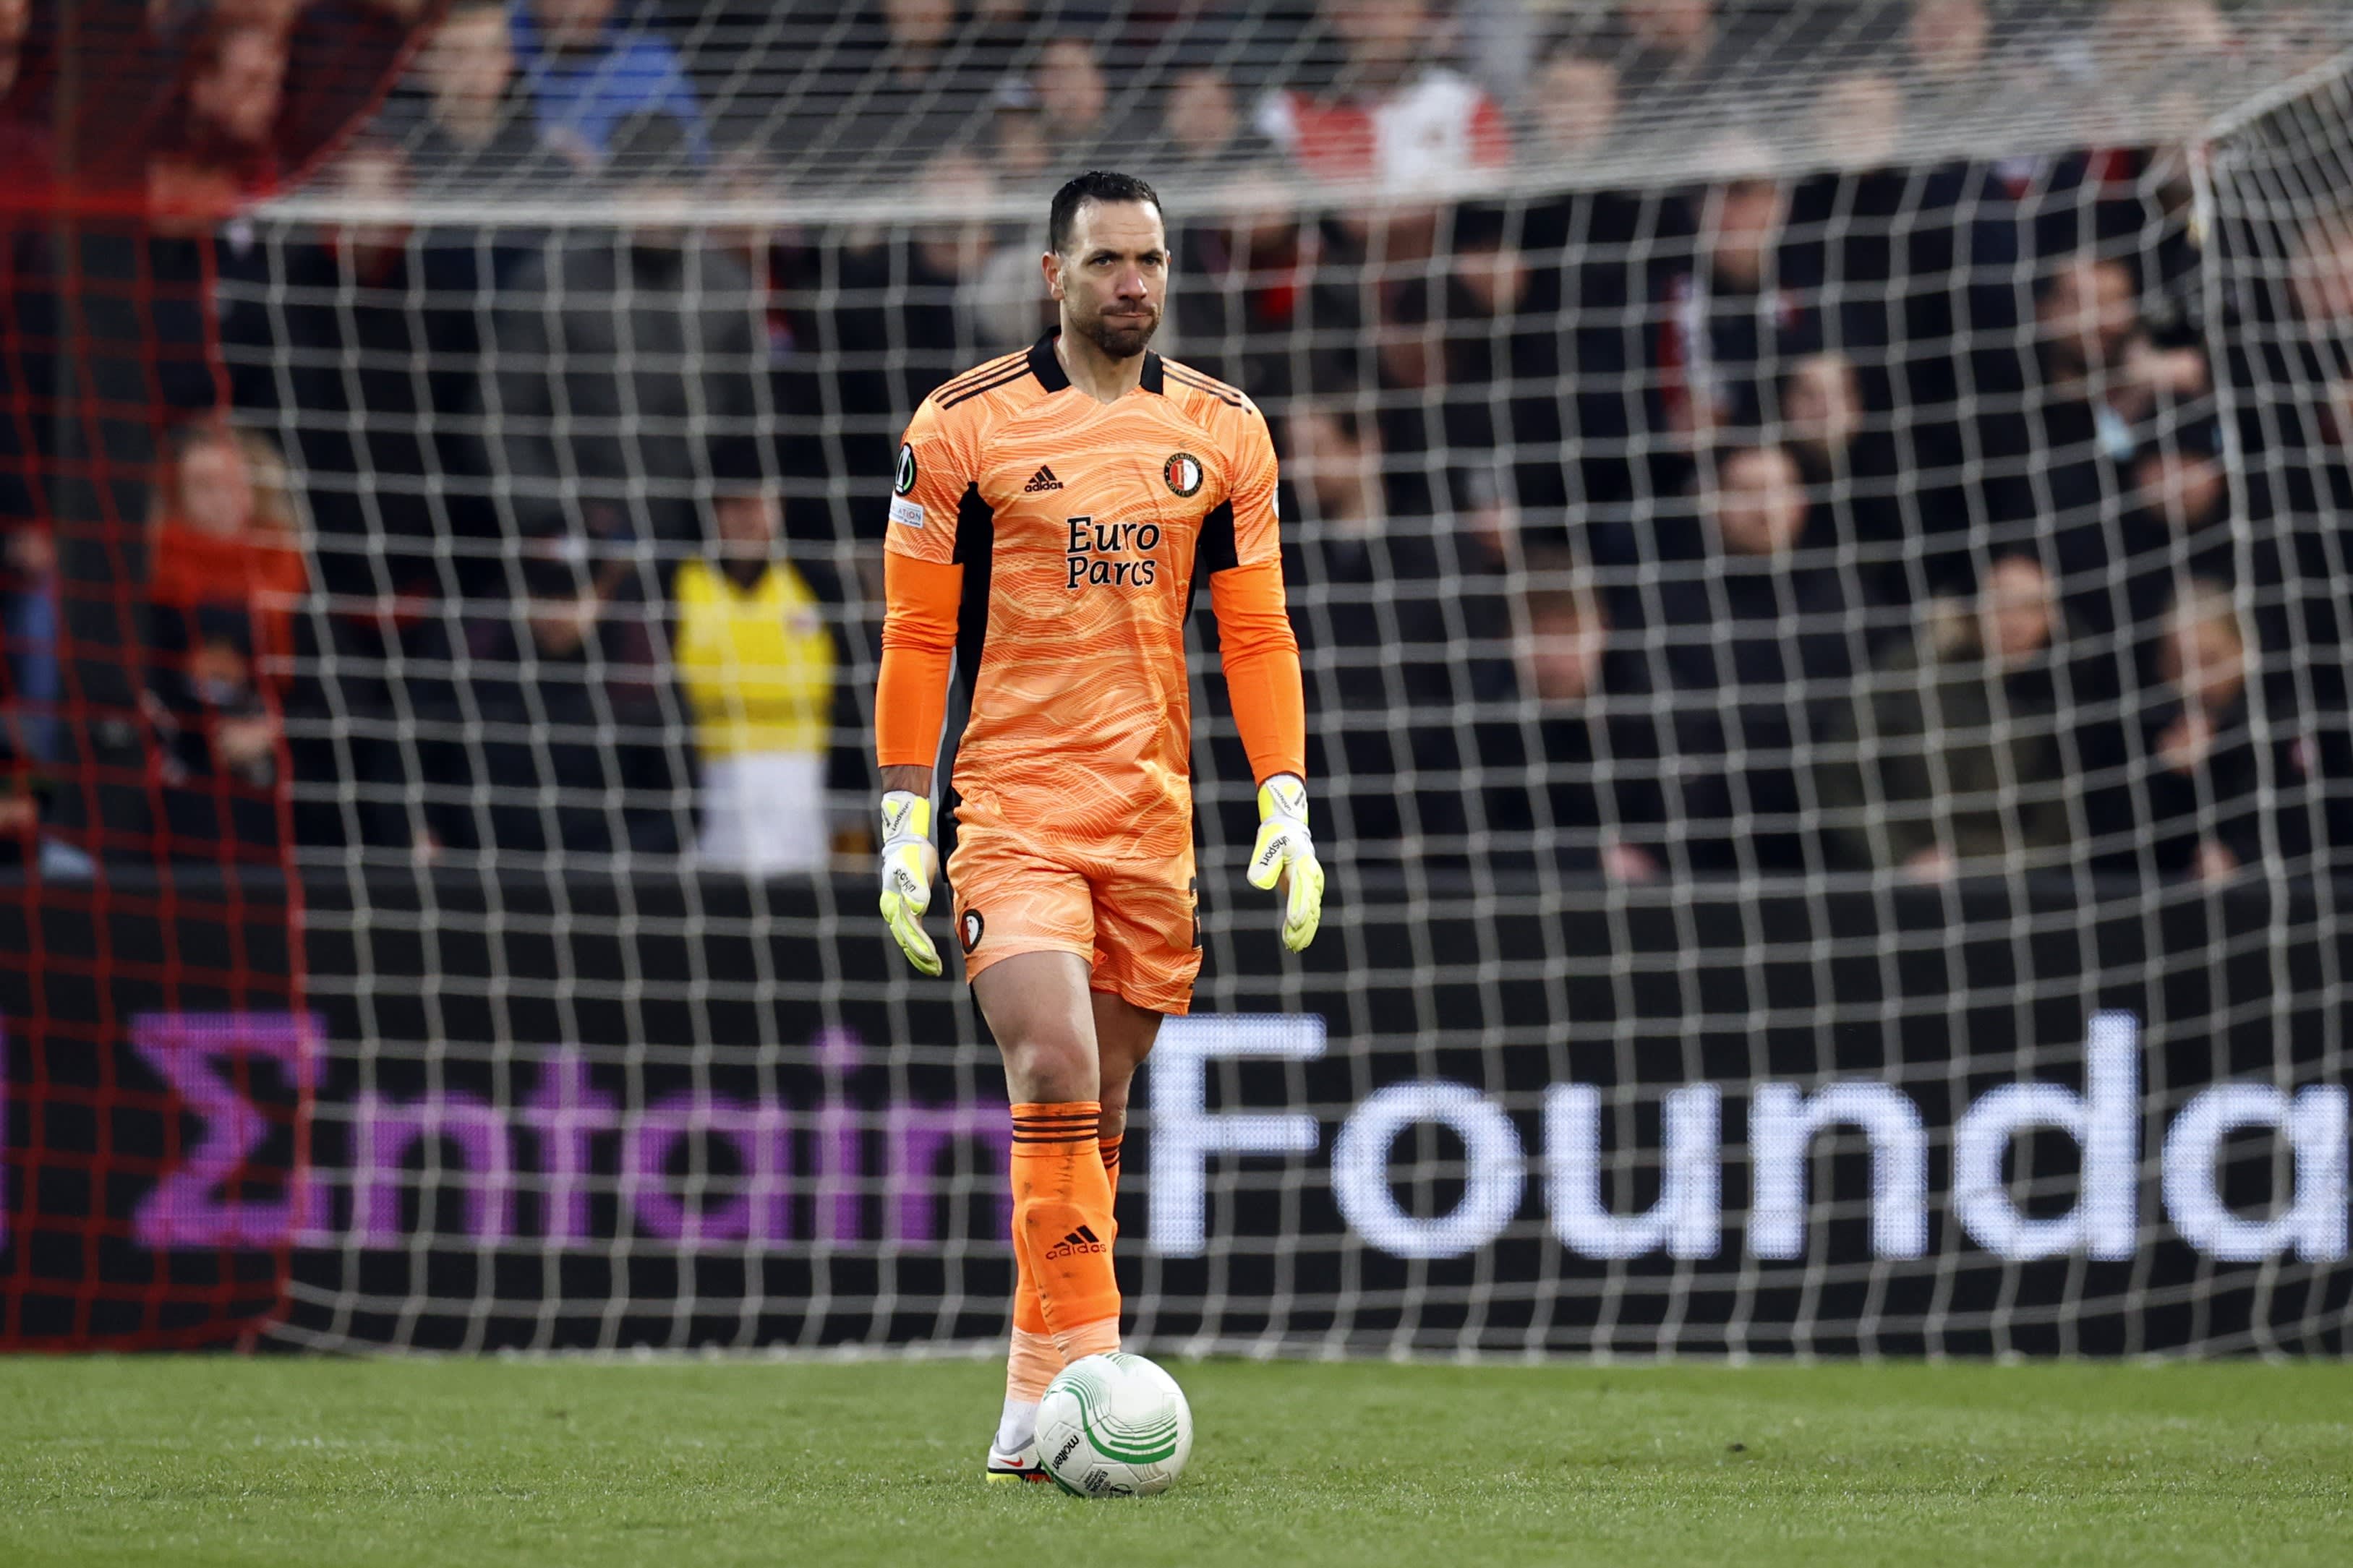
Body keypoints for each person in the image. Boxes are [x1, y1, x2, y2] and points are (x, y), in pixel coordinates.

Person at [871, 171, 1320, 1483]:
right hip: (1009, 808)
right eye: (1109, 259)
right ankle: (1101, 1380)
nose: (1135, 281)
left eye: (1153, 259)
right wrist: (906, 811)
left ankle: (1027, 1408)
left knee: (1099, 1108)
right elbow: (912, 629)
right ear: (1052, 274)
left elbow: (1254, 629)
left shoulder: (1225, 431)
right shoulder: (960, 427)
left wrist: (1282, 792)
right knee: (1054, 1062)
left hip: (1148, 820)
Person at [1818, 554, 2075, 878]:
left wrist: (1965, 861)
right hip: (1892, 880)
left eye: (2032, 607)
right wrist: (1902, 859)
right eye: (2002, 603)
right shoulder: (1909, 673)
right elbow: (1835, 776)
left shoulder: (2061, 696)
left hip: (2001, 889)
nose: (2016, 623)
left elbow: (2057, 834)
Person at [673, 483, 837, 875]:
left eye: (756, 506)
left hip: (804, 777)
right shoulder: (680, 581)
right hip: (710, 773)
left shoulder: (816, 581)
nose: (746, 520)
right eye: (732, 506)